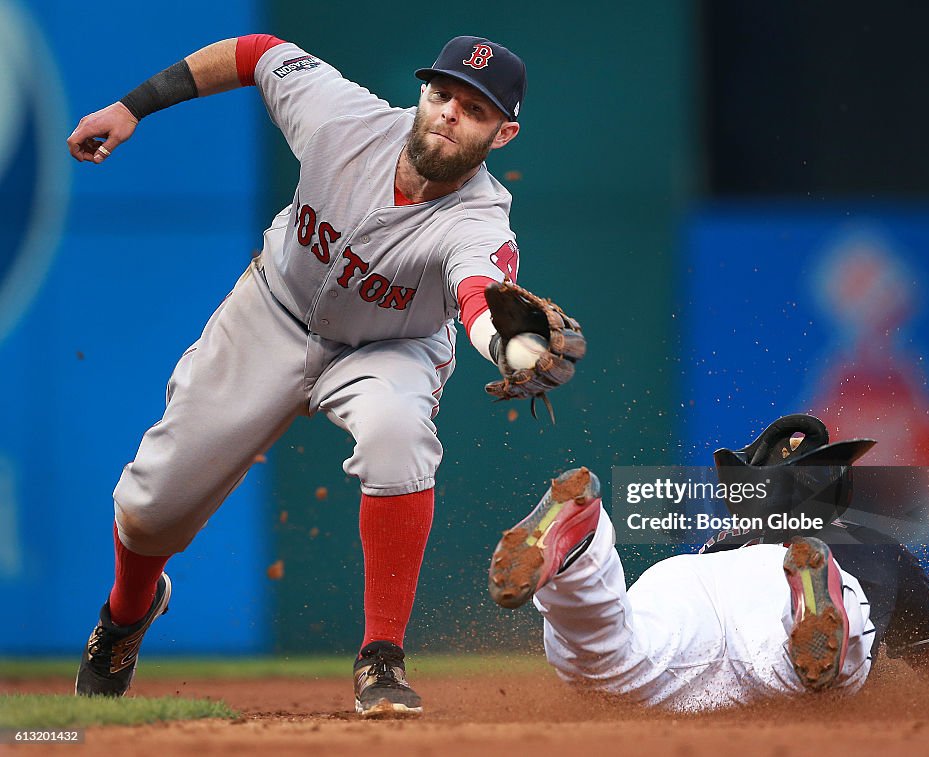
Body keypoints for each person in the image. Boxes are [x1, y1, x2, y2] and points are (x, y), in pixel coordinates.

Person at [67, 34, 561, 718]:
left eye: (473, 109)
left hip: (390, 348)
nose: (450, 112)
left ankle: (382, 656)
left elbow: (480, 291)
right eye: (442, 93)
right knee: (149, 510)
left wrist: (507, 346)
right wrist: (134, 106)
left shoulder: (479, 216)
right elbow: (257, 53)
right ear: (423, 93)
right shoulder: (341, 116)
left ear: (502, 133)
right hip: (275, 310)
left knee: (397, 433)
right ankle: (125, 617)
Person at [488, 415, 929, 712]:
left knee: (614, 660)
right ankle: (815, 603)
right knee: (805, 679)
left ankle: (583, 556)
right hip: (785, 583)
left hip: (689, 579)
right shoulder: (876, 547)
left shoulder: (721, 543)